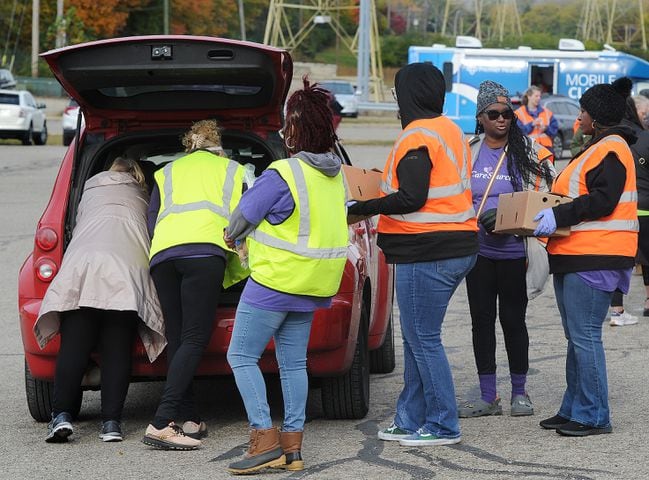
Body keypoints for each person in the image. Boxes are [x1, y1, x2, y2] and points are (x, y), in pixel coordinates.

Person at [348, 63, 479, 446]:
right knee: (417, 338)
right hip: (452, 244)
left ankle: (442, 425)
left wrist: (359, 208)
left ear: (409, 94)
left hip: (429, 249)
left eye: (397, 93)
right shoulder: (448, 129)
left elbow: (412, 197)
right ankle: (409, 419)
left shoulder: (417, 136)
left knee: (423, 338)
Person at [224, 77, 348, 474]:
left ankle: (263, 439)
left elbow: (243, 217)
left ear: (294, 130)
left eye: (284, 126)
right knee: (293, 364)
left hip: (275, 283)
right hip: (314, 285)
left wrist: (232, 236)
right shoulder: (335, 174)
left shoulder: (283, 174)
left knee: (240, 355)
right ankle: (292, 448)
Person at [34, 156, 166, 443]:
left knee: (74, 348)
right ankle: (111, 424)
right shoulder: (144, 196)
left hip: (82, 270)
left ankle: (61, 417)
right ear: (138, 176)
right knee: (116, 351)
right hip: (125, 274)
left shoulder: (88, 191)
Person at [534, 83, 638, 436]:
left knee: (585, 336)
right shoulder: (598, 147)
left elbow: (603, 200)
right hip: (577, 253)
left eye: (583, 111)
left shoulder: (611, 148)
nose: (578, 116)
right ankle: (574, 408)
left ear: (598, 116)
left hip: (596, 254)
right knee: (577, 336)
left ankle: (594, 415)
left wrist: (557, 217)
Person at [142, 119, 249, 450]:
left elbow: (151, 219)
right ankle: (161, 422)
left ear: (189, 145)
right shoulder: (232, 170)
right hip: (204, 252)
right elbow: (246, 217)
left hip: (163, 255)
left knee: (178, 337)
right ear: (218, 146)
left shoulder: (167, 172)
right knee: (194, 337)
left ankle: (188, 419)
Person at [459, 81, 555, 419]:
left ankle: (519, 393)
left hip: (515, 253)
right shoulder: (468, 151)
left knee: (513, 321)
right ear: (481, 118)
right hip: (479, 254)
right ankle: (488, 396)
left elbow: (548, 197)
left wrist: (505, 216)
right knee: (481, 322)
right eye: (494, 114)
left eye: (507, 114)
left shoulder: (527, 152)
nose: (502, 120)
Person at [515, 85, 559, 158]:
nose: (539, 98)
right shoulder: (519, 113)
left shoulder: (547, 113)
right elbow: (518, 132)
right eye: (536, 96)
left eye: (540, 96)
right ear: (529, 96)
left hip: (547, 150)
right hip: (528, 150)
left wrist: (546, 128)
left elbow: (554, 130)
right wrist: (532, 124)